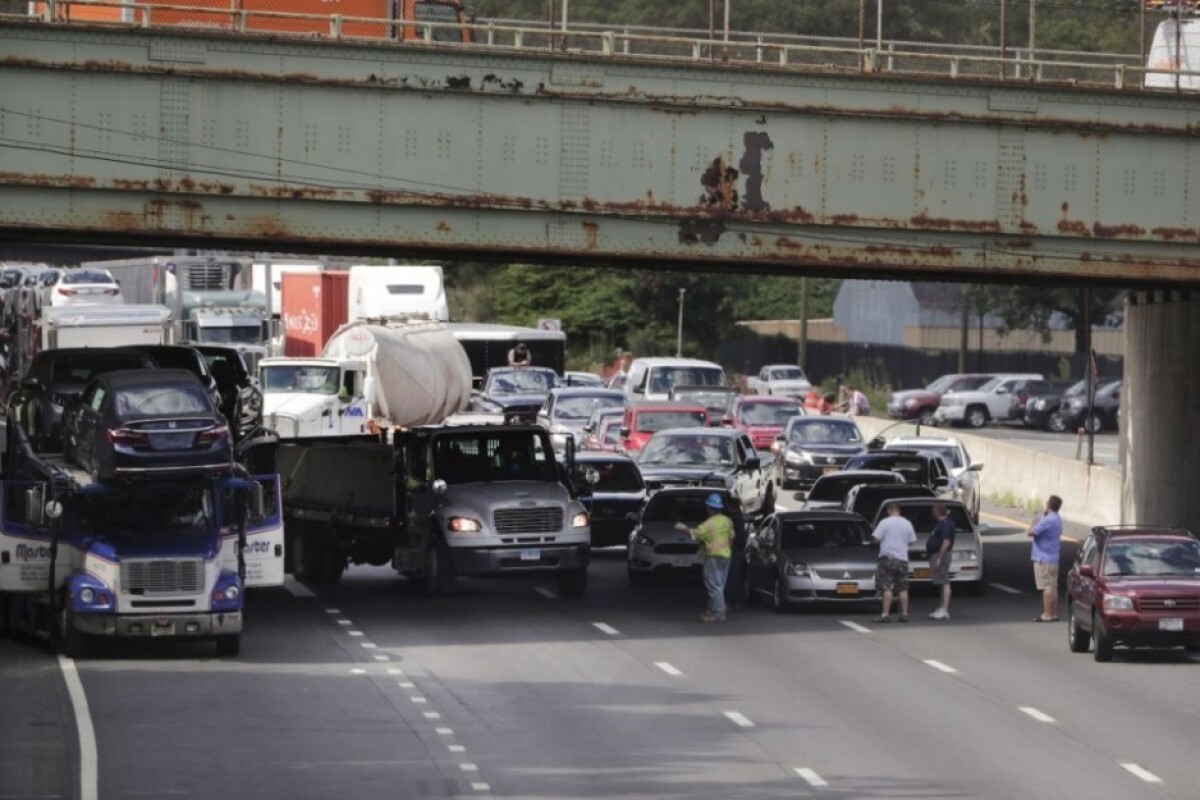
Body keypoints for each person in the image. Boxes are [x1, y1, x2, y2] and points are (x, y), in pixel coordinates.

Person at [676, 493, 734, 622]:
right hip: (726, 556)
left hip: (713, 556)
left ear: (709, 508)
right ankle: (713, 610)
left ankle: (718, 614)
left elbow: (696, 534)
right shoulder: (727, 521)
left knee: (714, 586)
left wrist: (684, 528)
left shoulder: (708, 525)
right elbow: (731, 537)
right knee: (720, 585)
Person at [872, 502, 917, 623]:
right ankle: (904, 614)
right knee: (903, 588)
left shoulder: (884, 523)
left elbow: (876, 539)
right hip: (902, 559)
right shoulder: (907, 523)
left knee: (887, 587)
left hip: (887, 559)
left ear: (888, 511)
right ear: (899, 511)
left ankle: (885, 614)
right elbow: (912, 541)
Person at [1027, 495, 1064, 622]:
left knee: (1047, 587)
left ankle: (1047, 614)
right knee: (1053, 586)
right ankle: (1053, 613)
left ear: (1049, 505)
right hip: (1053, 557)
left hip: (1043, 558)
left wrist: (1033, 523)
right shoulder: (1058, 519)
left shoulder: (1047, 520)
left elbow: (1031, 533)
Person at [926, 502, 956, 620]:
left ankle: (944, 609)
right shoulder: (941, 523)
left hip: (941, 555)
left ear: (938, 511)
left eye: (934, 510)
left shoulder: (945, 524)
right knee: (941, 582)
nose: (932, 512)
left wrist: (939, 557)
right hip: (937, 554)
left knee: (944, 582)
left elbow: (946, 541)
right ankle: (941, 607)